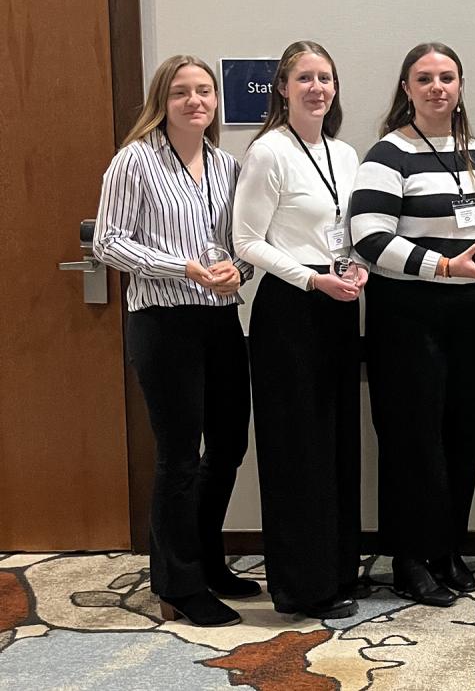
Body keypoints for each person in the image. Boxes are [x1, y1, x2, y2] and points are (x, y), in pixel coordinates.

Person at [349, 42, 475, 607]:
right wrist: (444, 265)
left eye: (447, 77)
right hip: (407, 313)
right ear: (407, 88)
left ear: (461, 85)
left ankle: (447, 548)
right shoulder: (388, 154)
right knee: (411, 437)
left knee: (463, 432)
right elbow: (368, 238)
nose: (437, 87)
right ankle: (408, 558)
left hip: (468, 311)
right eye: (424, 78)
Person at [94, 55, 256, 627]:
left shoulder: (227, 165)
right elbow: (109, 243)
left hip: (219, 321)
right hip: (164, 324)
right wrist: (180, 268)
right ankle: (177, 583)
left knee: (230, 446)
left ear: (216, 103)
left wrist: (239, 268)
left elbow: (245, 244)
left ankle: (209, 558)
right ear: (161, 101)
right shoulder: (133, 162)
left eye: (205, 92)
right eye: (182, 92)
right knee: (180, 457)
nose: (196, 101)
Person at [232, 40, 365, 619]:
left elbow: (349, 228)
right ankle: (301, 586)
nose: (317, 87)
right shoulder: (269, 152)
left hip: (341, 304)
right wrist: (311, 280)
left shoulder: (346, 153)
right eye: (304, 77)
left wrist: (354, 266)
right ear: (282, 88)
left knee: (337, 443)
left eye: (326, 77)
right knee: (297, 449)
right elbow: (246, 242)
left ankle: (337, 571)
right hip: (291, 311)